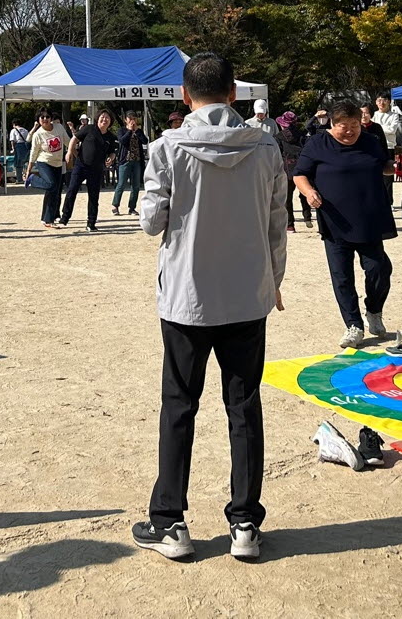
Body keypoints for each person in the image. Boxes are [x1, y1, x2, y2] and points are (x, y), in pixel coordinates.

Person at [132, 52, 287, 563]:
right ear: (233, 94)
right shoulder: (266, 146)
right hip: (247, 295)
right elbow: (275, 224)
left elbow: (151, 222)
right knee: (243, 407)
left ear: (184, 95)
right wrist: (274, 281)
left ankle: (170, 521)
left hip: (186, 298)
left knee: (179, 405)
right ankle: (245, 521)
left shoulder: (167, 147)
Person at [294, 101, 397, 350]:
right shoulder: (318, 143)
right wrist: (309, 193)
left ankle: (373, 310)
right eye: (344, 126)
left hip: (369, 216)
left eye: (354, 125)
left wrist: (393, 167)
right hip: (335, 219)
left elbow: (382, 164)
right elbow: (300, 174)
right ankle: (353, 325)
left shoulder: (371, 141)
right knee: (342, 276)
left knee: (378, 269)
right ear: (332, 123)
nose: (350, 131)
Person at [61, 109, 118, 232]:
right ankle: (64, 218)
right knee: (72, 190)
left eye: (107, 118)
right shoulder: (89, 129)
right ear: (98, 118)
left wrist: (110, 159)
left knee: (94, 197)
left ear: (110, 121)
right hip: (81, 165)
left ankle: (91, 223)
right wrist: (69, 152)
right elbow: (74, 139)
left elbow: (112, 152)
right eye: (102, 117)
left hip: (97, 169)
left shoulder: (111, 137)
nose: (104, 119)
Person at [24, 110, 69, 228]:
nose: (45, 119)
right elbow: (34, 152)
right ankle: (33, 179)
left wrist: (74, 153)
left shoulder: (58, 127)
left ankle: (48, 219)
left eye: (47, 117)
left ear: (51, 118)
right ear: (38, 120)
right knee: (51, 184)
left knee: (53, 192)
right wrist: (29, 169)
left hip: (58, 163)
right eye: (42, 117)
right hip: (44, 162)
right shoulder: (38, 134)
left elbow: (68, 142)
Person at [275, 111, 309, 231]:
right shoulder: (301, 135)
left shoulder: (278, 137)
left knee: (287, 198)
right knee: (304, 193)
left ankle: (290, 225)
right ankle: (307, 216)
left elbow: (277, 155)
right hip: (301, 168)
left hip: (286, 169)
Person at [112, 111, 149, 216]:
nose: (132, 120)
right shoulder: (122, 130)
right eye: (130, 118)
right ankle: (115, 205)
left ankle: (132, 207)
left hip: (137, 161)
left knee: (136, 185)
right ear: (125, 120)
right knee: (121, 184)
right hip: (125, 161)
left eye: (134, 118)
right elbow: (122, 141)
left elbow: (145, 141)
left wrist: (136, 130)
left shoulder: (139, 131)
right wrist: (129, 131)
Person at [9, 119, 31, 183]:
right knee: (26, 162)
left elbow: (12, 140)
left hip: (18, 146)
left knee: (18, 164)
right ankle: (27, 178)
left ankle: (19, 179)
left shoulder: (13, 130)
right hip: (25, 146)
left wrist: (13, 148)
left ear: (14, 124)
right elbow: (28, 139)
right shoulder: (25, 130)